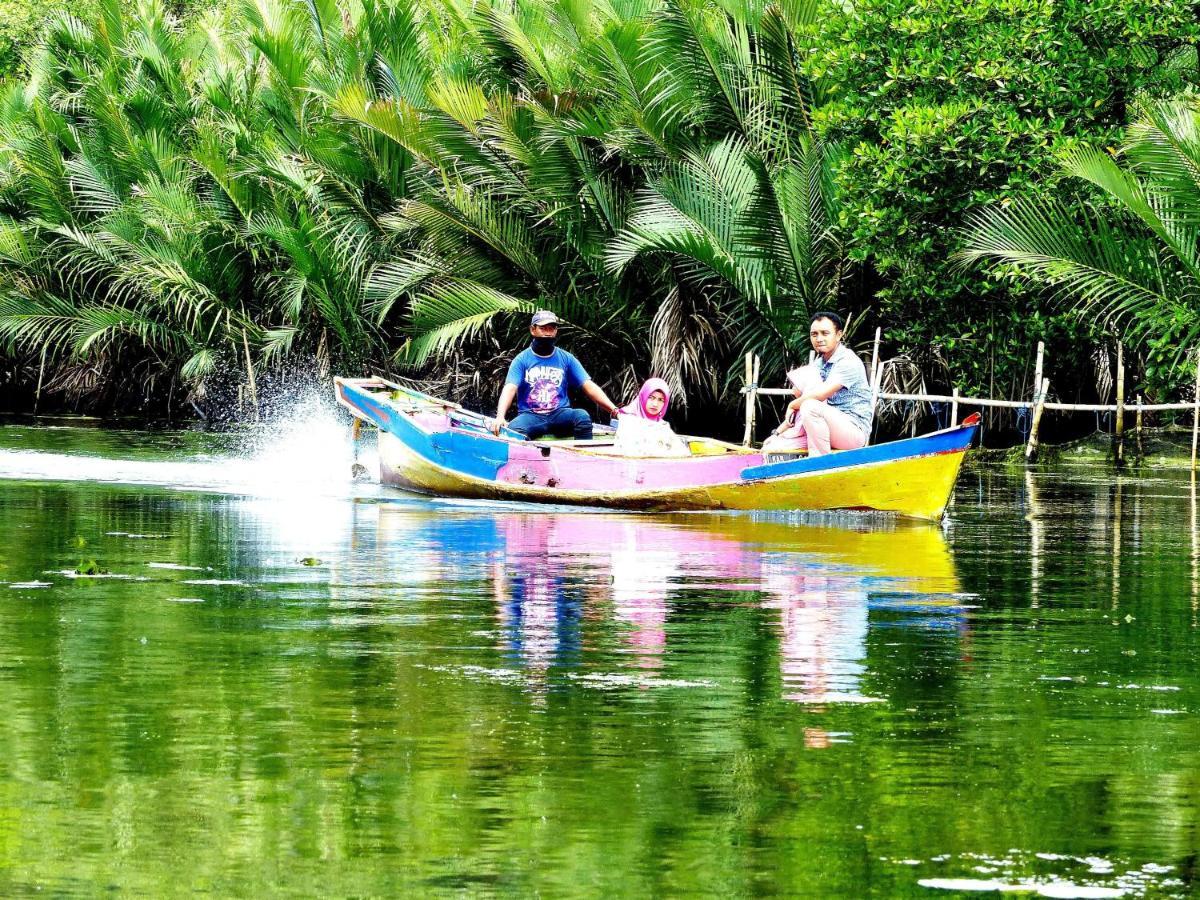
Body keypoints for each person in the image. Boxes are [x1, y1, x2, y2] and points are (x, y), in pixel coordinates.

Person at [489, 310, 622, 440]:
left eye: (551, 328)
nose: (547, 333)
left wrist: (614, 410)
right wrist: (500, 416)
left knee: (582, 416)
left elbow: (588, 385)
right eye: (543, 328)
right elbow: (510, 388)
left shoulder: (566, 358)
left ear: (556, 331)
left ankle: (584, 458)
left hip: (559, 414)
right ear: (532, 330)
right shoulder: (521, 360)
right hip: (531, 416)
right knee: (512, 431)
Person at [761, 311, 873, 457]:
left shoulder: (848, 361)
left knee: (810, 405)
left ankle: (819, 462)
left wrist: (792, 404)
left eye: (825, 333)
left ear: (838, 335)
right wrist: (777, 432)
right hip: (820, 429)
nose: (819, 338)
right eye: (814, 334)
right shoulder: (818, 365)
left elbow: (819, 396)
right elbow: (804, 398)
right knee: (771, 446)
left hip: (853, 431)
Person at [612, 377, 689, 457]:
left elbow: (679, 452)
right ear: (643, 396)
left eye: (660, 400)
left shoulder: (662, 426)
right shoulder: (628, 419)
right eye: (651, 398)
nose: (655, 404)